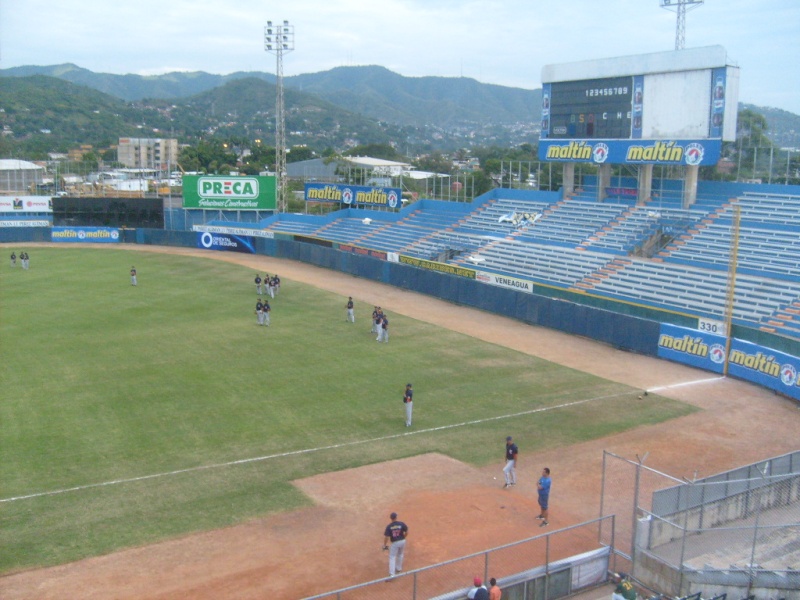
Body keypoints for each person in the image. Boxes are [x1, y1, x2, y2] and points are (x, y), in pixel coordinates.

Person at [383, 512, 408, 579]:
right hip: (402, 541)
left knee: (392, 557)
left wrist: (384, 545)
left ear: (391, 518)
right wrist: (403, 537)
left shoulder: (389, 526)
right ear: (396, 517)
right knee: (400, 554)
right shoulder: (401, 523)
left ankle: (392, 574)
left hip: (395, 543)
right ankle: (399, 569)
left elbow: (387, 537)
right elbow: (407, 531)